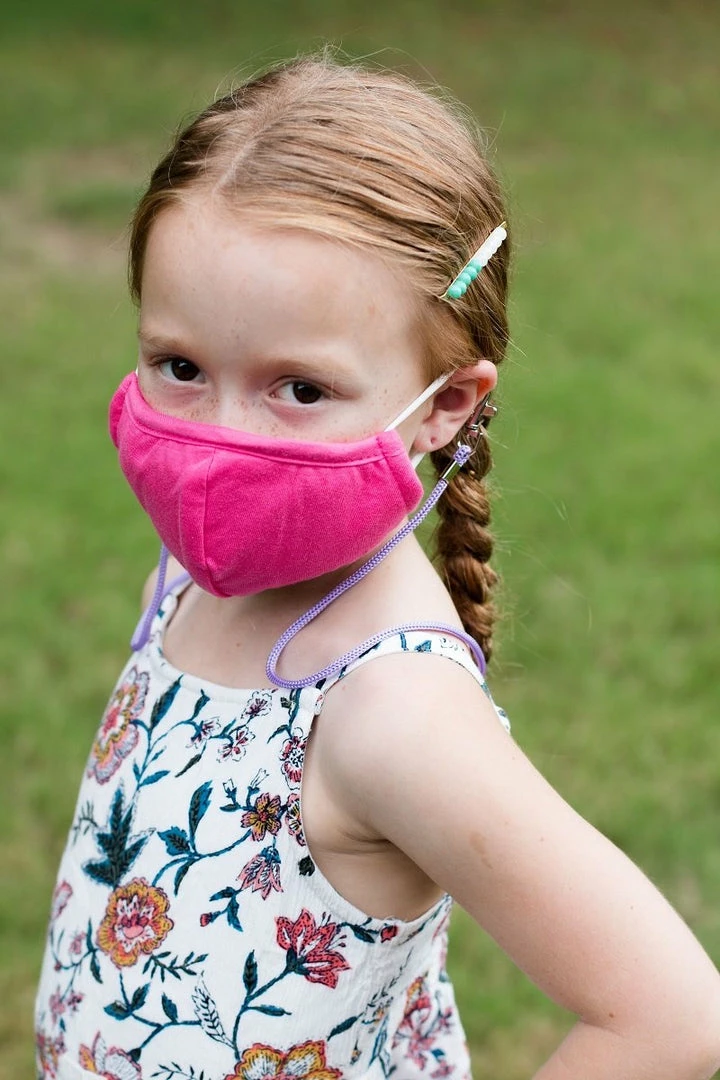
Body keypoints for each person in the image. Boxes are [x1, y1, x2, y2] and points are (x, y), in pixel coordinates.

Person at [35, 55, 720, 1080]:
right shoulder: (186, 579)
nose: (221, 441)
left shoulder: (392, 709)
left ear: (445, 404)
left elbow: (671, 1017)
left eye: (299, 389)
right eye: (181, 367)